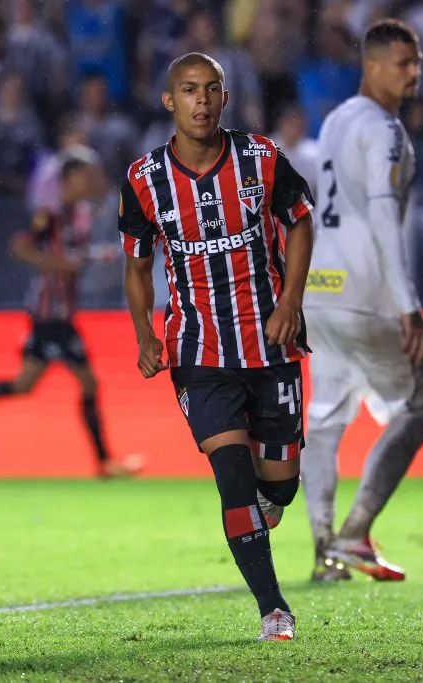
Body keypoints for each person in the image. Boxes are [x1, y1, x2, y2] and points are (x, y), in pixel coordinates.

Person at [118, 52, 315, 642]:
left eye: (210, 90)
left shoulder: (260, 157)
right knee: (231, 475)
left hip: (270, 342)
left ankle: (270, 496)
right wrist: (145, 333)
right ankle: (273, 608)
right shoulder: (143, 179)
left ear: (224, 98)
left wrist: (290, 303)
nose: (201, 101)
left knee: (278, 485)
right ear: (169, 101)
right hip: (198, 352)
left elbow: (302, 222)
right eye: (188, 90)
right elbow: (135, 263)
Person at [301, 19, 423, 583]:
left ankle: (325, 553)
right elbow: (383, 214)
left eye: (417, 61)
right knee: (417, 408)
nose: (414, 72)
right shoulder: (382, 129)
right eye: (403, 62)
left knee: (327, 419)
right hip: (362, 290)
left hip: (318, 290)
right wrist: (408, 304)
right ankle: (354, 534)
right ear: (372, 64)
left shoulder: (334, 121)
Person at [0, 157, 137, 479]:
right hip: (50, 314)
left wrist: (92, 256)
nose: (89, 182)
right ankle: (105, 463)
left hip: (59, 312)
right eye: (83, 177)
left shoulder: (78, 216)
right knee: (89, 382)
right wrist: (59, 265)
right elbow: (20, 248)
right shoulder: (51, 215)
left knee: (23, 385)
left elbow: (69, 255)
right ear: (68, 181)